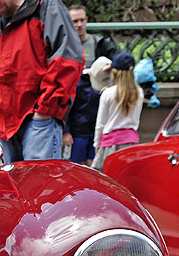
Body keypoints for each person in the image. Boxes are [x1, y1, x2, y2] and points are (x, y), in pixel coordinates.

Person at [0, 0, 82, 162]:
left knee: (38, 183)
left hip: (38, 119)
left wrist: (44, 110)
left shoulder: (48, 8)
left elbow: (67, 60)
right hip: (3, 123)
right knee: (10, 183)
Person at [63, 6, 118, 166]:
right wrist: (66, 131)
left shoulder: (100, 43)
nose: (79, 24)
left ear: (87, 20)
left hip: (99, 110)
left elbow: (119, 62)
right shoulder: (64, 45)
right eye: (75, 21)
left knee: (96, 165)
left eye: (82, 20)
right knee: (75, 167)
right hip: (75, 116)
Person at [92, 52, 142, 171]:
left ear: (114, 73)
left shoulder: (107, 93)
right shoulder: (139, 92)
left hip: (110, 145)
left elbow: (100, 124)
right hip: (132, 143)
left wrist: (97, 144)